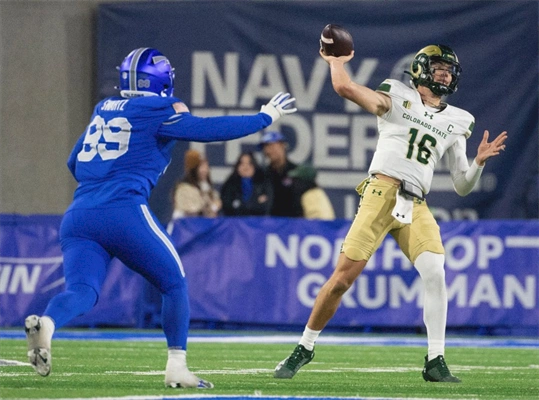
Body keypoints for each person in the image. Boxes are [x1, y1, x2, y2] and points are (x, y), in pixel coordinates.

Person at [23, 47, 296, 389]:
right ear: (161, 81)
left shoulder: (104, 108)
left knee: (82, 290)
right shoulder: (159, 109)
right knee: (173, 282)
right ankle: (177, 366)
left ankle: (47, 324)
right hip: (122, 210)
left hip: (78, 215)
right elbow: (209, 130)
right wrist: (264, 117)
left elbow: (74, 163)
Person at [274, 44, 507, 382]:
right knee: (341, 280)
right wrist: (336, 64)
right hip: (381, 193)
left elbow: (462, 185)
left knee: (435, 272)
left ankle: (436, 360)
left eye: (449, 69)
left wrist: (479, 164)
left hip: (416, 203)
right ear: (421, 69)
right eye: (439, 66)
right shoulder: (396, 95)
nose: (444, 73)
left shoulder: (459, 120)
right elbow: (345, 88)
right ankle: (305, 346)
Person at [258, 131, 303, 217]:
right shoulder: (263, 174)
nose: (268, 151)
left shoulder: (297, 172)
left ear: (283, 145)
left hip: (295, 224)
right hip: (272, 225)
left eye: (271, 146)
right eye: (265, 147)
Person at [170, 149, 222, 220]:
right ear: (193, 169)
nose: (205, 170)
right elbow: (192, 210)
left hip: (203, 226)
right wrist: (209, 207)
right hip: (185, 226)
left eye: (206, 166)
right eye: (201, 166)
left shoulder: (206, 187)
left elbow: (216, 203)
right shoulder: (183, 188)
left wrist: (214, 207)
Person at [220, 152, 273, 216]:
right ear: (237, 167)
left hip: (259, 223)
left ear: (254, 166)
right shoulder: (230, 184)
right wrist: (256, 202)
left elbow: (267, 205)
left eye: (249, 163)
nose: (246, 167)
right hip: (235, 222)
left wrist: (242, 206)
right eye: (242, 164)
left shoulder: (263, 183)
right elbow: (227, 205)